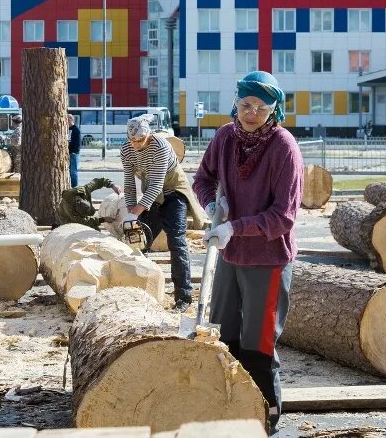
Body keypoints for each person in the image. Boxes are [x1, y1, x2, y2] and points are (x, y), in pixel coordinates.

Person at [193, 70, 304, 432]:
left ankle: (264, 417)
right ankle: (228, 409)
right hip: (230, 255)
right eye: (245, 105)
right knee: (224, 336)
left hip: (268, 259)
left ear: (275, 110)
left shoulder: (284, 148)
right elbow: (203, 179)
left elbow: (283, 217)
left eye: (261, 106)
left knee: (258, 344)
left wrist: (234, 227)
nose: (252, 113)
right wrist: (212, 207)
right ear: (235, 104)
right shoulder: (225, 137)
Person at [121, 114, 205, 311]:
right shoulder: (126, 150)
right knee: (139, 240)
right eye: (133, 141)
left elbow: (158, 183)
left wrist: (138, 211)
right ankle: (139, 291)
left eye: (140, 140)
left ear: (148, 135)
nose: (137, 145)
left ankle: (183, 297)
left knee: (176, 241)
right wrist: (131, 211)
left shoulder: (160, 146)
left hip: (173, 192)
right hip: (152, 195)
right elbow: (129, 184)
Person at [68, 114, 81, 187]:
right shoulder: (67, 129)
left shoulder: (76, 129)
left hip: (74, 153)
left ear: (71, 120)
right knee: (70, 171)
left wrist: (72, 151)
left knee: (73, 171)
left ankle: (75, 187)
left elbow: (77, 143)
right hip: (69, 153)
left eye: (68, 120)